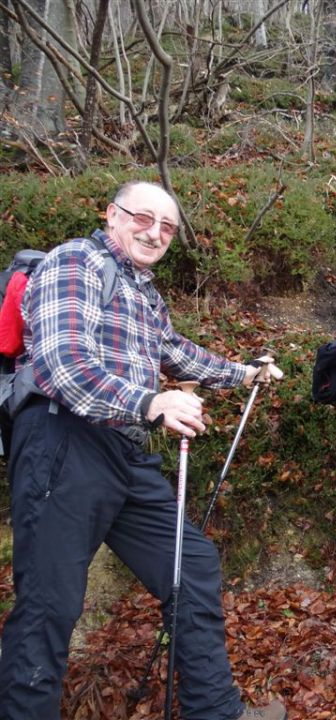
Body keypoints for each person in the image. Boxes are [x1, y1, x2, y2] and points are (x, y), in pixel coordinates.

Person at [0, 182, 286, 720]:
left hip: (122, 451)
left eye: (168, 227)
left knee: (191, 565)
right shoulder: (74, 262)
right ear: (112, 215)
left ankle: (215, 711)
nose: (154, 232)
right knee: (48, 606)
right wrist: (151, 401)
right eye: (142, 218)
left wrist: (246, 372)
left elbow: (176, 352)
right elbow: (63, 366)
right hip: (62, 444)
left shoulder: (144, 293)